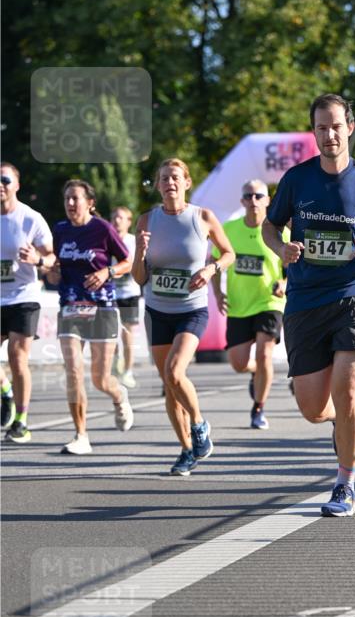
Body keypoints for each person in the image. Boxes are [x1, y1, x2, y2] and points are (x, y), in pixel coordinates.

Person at [263, 93, 355, 517]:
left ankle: (346, 485)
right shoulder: (297, 179)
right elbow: (271, 226)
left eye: (336, 126)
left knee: (349, 394)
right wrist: (282, 249)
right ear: (314, 132)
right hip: (305, 299)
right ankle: (342, 425)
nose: (329, 135)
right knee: (312, 409)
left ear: (350, 128)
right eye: (321, 128)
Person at [133, 158, 235, 475]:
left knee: (175, 372)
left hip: (191, 309)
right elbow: (139, 278)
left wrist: (211, 268)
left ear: (187, 182)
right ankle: (187, 449)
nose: (170, 183)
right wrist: (140, 251)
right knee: (169, 383)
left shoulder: (202, 217)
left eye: (175, 177)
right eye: (164, 178)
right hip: (157, 310)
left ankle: (199, 424)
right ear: (158, 185)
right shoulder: (147, 220)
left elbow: (229, 253)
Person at [47, 180, 135, 454]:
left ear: (90, 203)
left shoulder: (102, 229)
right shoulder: (60, 230)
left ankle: (118, 395)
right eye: (67, 199)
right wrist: (52, 273)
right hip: (70, 306)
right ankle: (81, 435)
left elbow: (128, 262)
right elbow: (56, 267)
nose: (71, 203)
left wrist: (108, 271)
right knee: (73, 370)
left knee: (100, 379)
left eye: (76, 198)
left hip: (102, 307)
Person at [212, 179, 287, 430]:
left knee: (265, 354)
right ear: (242, 201)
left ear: (267, 200)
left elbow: (294, 267)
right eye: (248, 196)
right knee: (239, 364)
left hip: (270, 302)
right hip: (239, 304)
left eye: (258, 196)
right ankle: (257, 372)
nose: (253, 200)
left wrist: (285, 283)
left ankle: (258, 408)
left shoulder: (280, 232)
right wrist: (218, 293)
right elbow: (214, 261)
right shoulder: (229, 229)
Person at [0, 162, 55, 443]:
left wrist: (38, 259)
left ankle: (21, 421)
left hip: (24, 295)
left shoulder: (30, 218)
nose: (0, 185)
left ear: (17, 185)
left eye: (5, 180)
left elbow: (52, 257)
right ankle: (6, 392)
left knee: (17, 355)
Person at [110, 206, 141, 389]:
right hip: (110, 294)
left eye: (121, 217)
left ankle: (128, 371)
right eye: (114, 217)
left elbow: (138, 264)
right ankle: (116, 364)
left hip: (129, 293)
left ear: (129, 222)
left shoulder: (133, 241)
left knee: (127, 334)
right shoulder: (106, 239)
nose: (117, 220)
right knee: (111, 334)